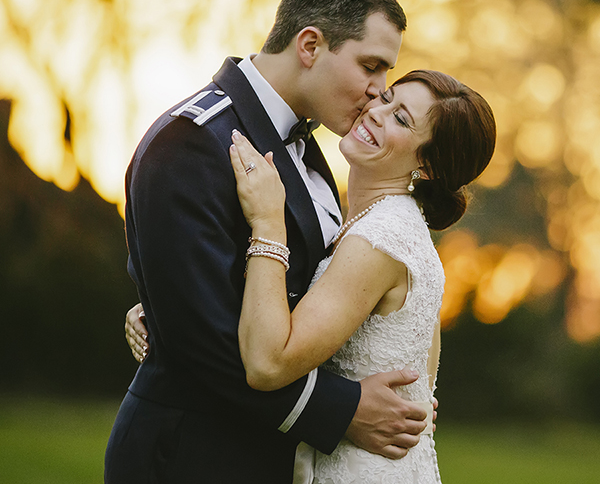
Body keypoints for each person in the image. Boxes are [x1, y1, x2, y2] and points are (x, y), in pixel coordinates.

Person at [106, 0, 427, 484]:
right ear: (309, 45)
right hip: (192, 457)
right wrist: (343, 408)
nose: (378, 91)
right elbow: (204, 341)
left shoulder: (306, 144)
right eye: (371, 66)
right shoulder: (193, 141)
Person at [127, 70, 497, 482]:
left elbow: (268, 363)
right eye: (387, 97)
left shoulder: (382, 238)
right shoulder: (390, 227)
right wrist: (172, 300)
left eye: (401, 119)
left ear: (427, 166)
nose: (376, 112)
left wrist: (269, 223)